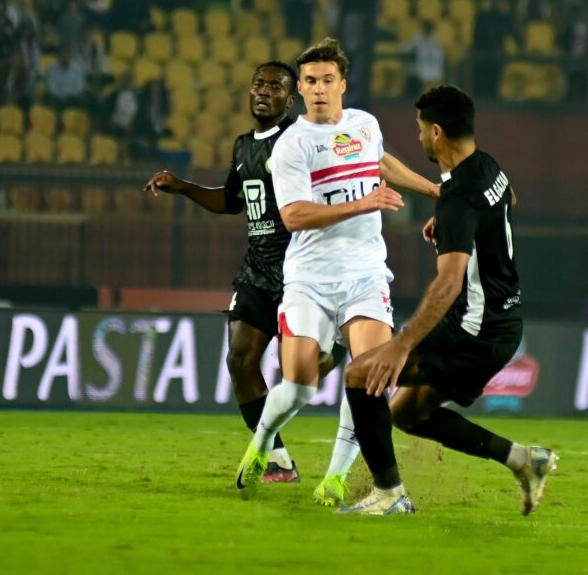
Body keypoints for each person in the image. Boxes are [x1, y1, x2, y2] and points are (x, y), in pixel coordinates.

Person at [235, 38, 439, 504]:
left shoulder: (365, 124)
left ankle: (336, 478)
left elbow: (379, 160)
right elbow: (294, 216)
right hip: (309, 278)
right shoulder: (291, 146)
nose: (320, 89)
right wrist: (362, 202)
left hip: (366, 273)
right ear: (300, 91)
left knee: (368, 377)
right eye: (310, 82)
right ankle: (263, 441)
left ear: (342, 84)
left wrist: (432, 189)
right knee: (300, 387)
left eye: (328, 80)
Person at [340, 84, 558, 515]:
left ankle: (388, 494)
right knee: (406, 413)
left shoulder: (456, 199)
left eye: (420, 129)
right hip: (502, 325)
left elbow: (449, 284)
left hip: (473, 329)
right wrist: (457, 233)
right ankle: (524, 460)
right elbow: (505, 202)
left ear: (436, 132)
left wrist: (401, 346)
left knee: (361, 376)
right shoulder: (489, 167)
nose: (418, 137)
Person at [145, 61, 351, 484]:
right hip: (257, 270)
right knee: (240, 359)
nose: (264, 91)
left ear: (289, 100)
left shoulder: (300, 140)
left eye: (275, 86)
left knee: (303, 370)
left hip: (300, 269)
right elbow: (232, 201)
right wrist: (183, 186)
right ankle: (277, 458)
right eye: (258, 83)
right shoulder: (243, 146)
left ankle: (335, 352)